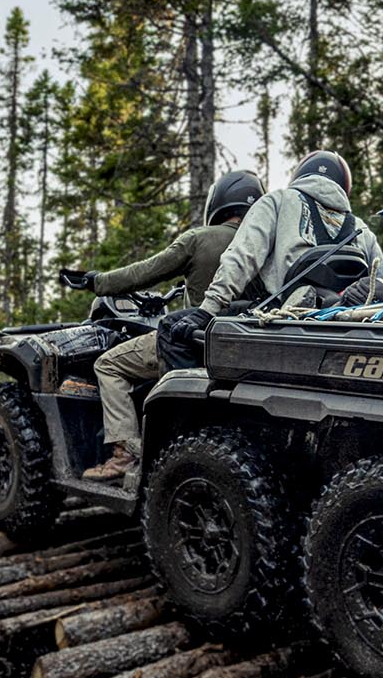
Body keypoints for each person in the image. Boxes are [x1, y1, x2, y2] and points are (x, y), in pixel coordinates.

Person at [61, 169, 264, 482]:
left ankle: (124, 455)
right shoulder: (268, 245)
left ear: (220, 202)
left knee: (108, 365)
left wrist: (96, 281)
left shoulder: (200, 239)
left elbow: (144, 272)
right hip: (248, 347)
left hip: (194, 340)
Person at [158, 150, 383, 357]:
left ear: (300, 175)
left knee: (170, 327)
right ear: (344, 186)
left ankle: (193, 400)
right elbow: (381, 281)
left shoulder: (279, 201)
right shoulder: (362, 230)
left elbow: (243, 255)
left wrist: (208, 310)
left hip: (278, 316)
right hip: (339, 322)